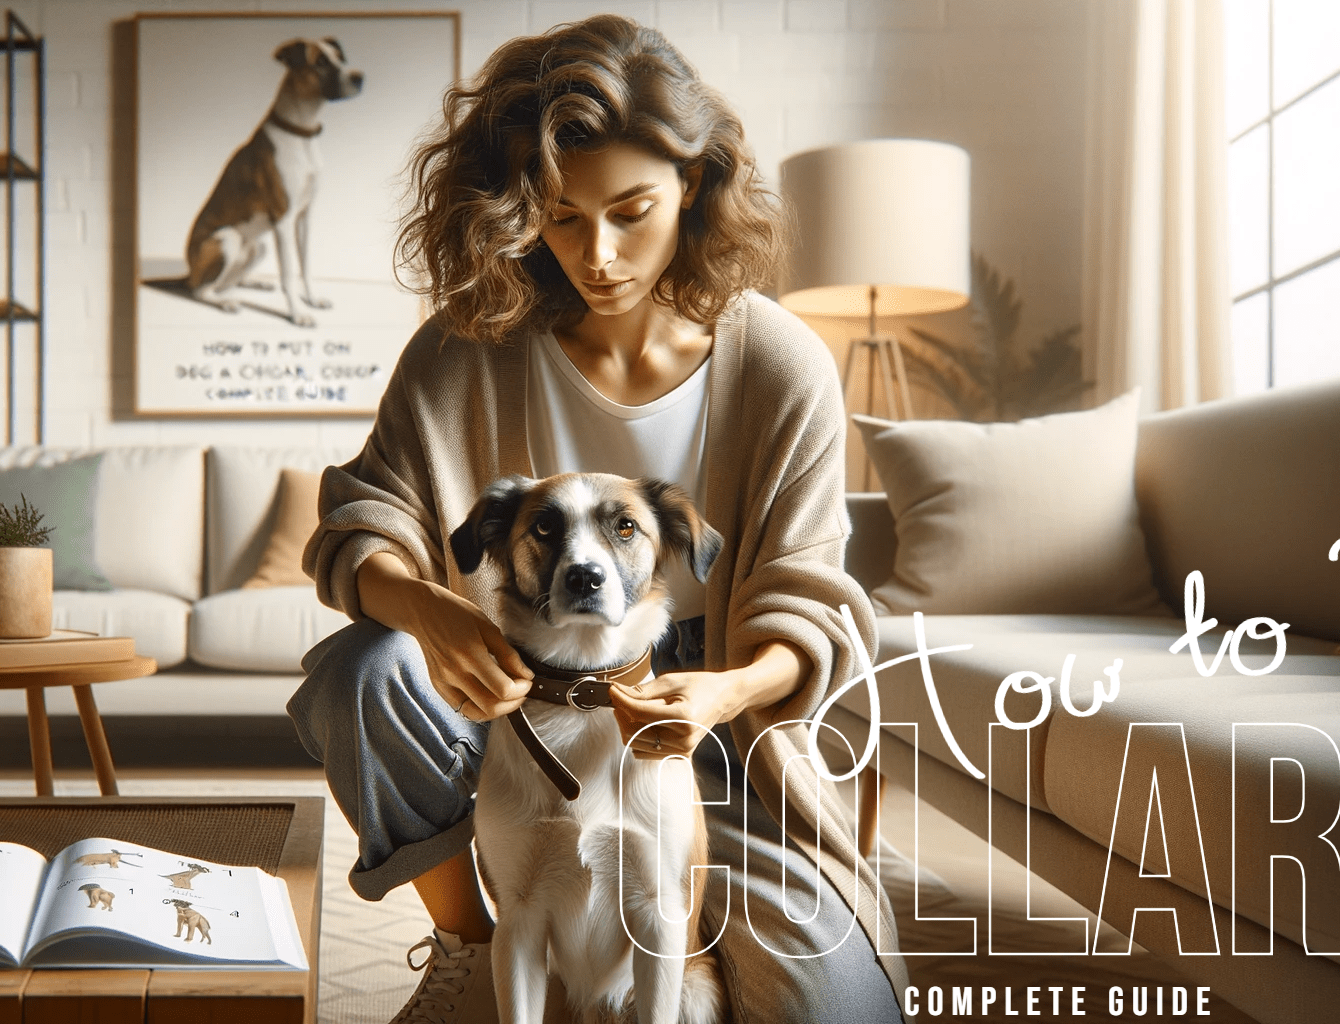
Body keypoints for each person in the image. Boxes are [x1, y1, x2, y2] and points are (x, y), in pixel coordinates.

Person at [289, 15, 908, 1024]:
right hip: (511, 685)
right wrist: (434, 615)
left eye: (632, 211)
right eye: (561, 217)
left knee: (837, 1012)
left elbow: (809, 600)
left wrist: (725, 691)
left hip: (707, 709)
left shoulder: (781, 363)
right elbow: (362, 520)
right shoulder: (464, 349)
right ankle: (465, 944)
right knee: (365, 669)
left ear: (695, 189)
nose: (598, 253)